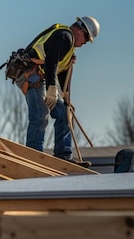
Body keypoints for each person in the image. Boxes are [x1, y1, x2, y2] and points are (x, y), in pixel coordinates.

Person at [13, 16, 100, 161]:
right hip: (32, 76)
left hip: (43, 78)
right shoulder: (64, 37)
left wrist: (65, 97)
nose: (85, 43)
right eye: (86, 38)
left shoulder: (69, 45)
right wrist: (52, 88)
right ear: (79, 30)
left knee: (64, 113)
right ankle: (33, 156)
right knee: (40, 116)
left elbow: (61, 70)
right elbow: (51, 61)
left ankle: (63, 155)